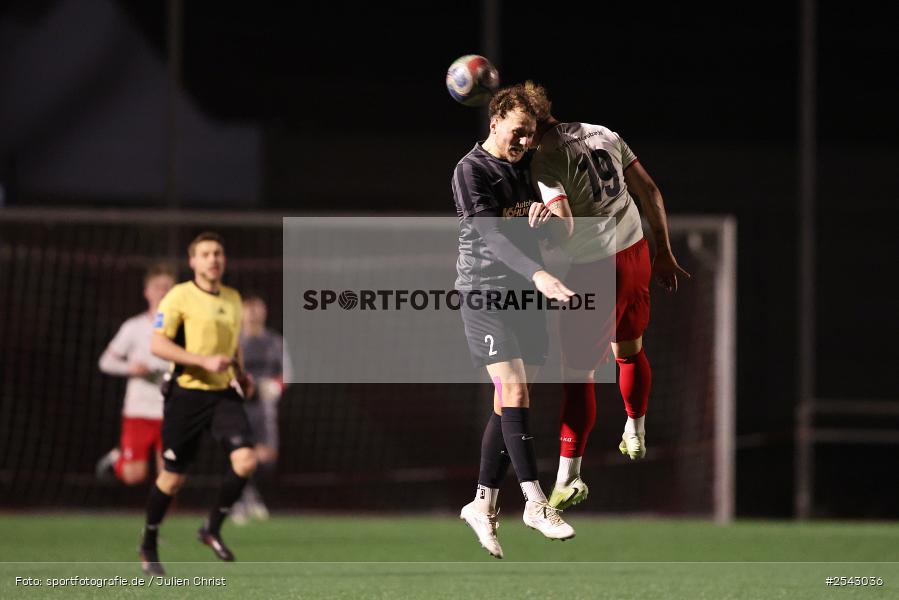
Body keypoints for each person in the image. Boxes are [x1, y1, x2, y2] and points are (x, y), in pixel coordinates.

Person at [523, 81, 691, 511]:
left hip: (594, 268)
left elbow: (565, 226)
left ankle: (568, 478)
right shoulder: (604, 133)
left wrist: (542, 227)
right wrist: (664, 251)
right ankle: (636, 429)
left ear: (531, 123)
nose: (519, 140)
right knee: (629, 351)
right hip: (635, 253)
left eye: (521, 131)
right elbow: (649, 190)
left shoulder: (545, 159)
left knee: (577, 376)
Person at [452, 84, 577, 559]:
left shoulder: (532, 166)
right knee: (516, 393)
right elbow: (493, 238)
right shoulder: (471, 170)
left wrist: (549, 218)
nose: (524, 141)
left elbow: (560, 233)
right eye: (518, 132)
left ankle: (481, 504)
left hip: (527, 297)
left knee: (508, 405)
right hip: (485, 293)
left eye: (530, 134)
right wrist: (540, 273)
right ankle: (535, 503)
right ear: (495, 122)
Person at [138, 231, 256, 576]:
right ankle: (148, 542)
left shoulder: (233, 298)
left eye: (218, 253)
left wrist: (242, 375)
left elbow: (233, 346)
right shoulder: (179, 296)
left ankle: (211, 528)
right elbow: (158, 345)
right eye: (205, 254)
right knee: (173, 479)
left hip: (222, 394)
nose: (213, 259)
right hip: (186, 394)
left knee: (246, 460)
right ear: (193, 261)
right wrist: (202, 361)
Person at [95, 264, 175, 485]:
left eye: (167, 287)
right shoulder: (133, 326)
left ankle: (162, 510)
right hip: (139, 410)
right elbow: (105, 362)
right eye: (157, 287)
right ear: (147, 292)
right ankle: (117, 458)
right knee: (134, 475)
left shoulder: (186, 328)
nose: (162, 292)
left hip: (171, 410)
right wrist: (131, 368)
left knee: (170, 477)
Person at [231, 293, 290, 524]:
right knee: (240, 453)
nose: (254, 315)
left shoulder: (275, 342)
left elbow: (287, 373)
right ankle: (240, 500)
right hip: (238, 406)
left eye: (258, 310)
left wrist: (276, 386)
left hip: (265, 408)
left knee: (267, 457)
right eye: (249, 310)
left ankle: (250, 493)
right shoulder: (233, 341)